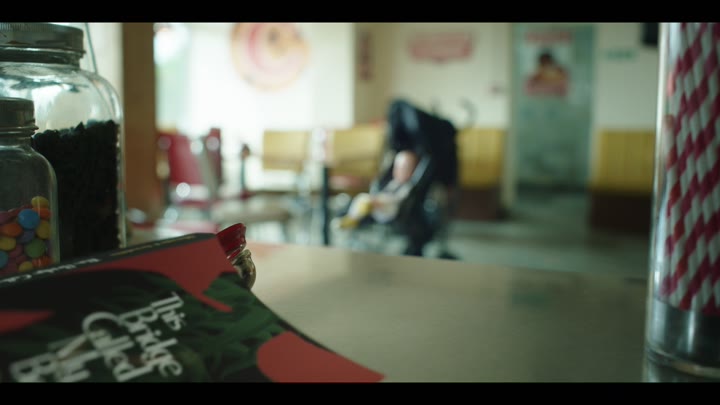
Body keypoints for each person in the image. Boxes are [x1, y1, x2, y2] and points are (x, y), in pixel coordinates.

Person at [334, 150, 419, 229]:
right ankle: (351, 218)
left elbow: (400, 199)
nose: (401, 171)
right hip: (378, 206)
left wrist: (381, 201)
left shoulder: (408, 186)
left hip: (392, 209)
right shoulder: (392, 182)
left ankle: (355, 217)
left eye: (406, 168)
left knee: (376, 202)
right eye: (399, 168)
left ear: (414, 171)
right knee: (363, 198)